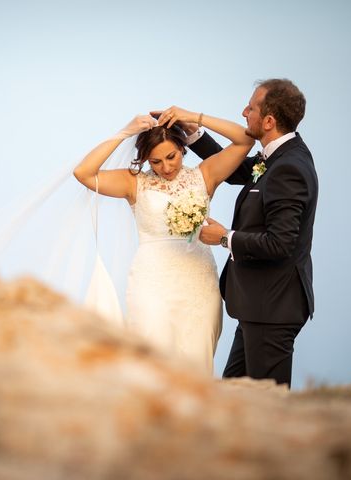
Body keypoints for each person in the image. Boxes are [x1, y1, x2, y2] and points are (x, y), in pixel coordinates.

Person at [73, 110, 254, 374]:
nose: (166, 168)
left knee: (196, 366)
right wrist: (125, 131)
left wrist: (194, 117)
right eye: (156, 161)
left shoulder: (205, 174)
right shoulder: (134, 183)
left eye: (172, 156)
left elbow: (245, 140)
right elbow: (83, 172)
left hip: (198, 285)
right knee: (151, 365)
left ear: (183, 148)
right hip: (151, 285)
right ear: (146, 160)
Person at [169, 79, 318, 388]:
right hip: (259, 306)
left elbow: (281, 243)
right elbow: (238, 170)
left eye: (250, 107)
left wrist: (226, 237)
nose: (243, 112)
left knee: (266, 405)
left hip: (273, 308)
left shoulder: (289, 167)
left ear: (268, 121)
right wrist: (192, 133)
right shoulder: (277, 156)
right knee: (236, 395)